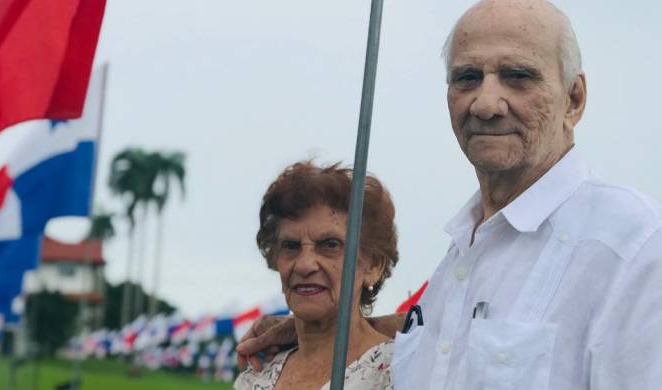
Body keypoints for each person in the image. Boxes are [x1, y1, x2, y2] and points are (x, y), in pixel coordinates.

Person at [237, 1, 662, 389]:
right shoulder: (460, 255)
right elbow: (455, 341)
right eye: (467, 77)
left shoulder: (634, 245)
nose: (486, 103)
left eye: (518, 76)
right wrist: (320, 330)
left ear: (574, 98)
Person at [234, 161, 399, 389]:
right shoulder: (255, 377)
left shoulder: (403, 370)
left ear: (374, 266)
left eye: (330, 245)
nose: (304, 265)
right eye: (290, 246)